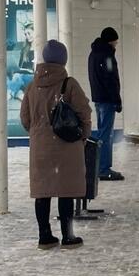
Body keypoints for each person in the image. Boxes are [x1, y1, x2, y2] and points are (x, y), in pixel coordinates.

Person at [19, 39, 92, 249]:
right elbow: (84, 113)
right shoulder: (69, 84)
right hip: (67, 145)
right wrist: (83, 135)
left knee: (42, 192)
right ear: (63, 60)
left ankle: (45, 236)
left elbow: (25, 118)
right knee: (65, 190)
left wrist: (38, 133)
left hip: (40, 147)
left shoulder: (32, 86)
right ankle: (68, 236)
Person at [87, 26, 124, 181]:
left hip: (98, 98)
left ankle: (99, 167)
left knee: (102, 132)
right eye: (115, 42)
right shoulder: (107, 55)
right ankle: (103, 168)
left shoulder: (93, 54)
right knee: (106, 134)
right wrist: (116, 100)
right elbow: (110, 79)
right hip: (107, 99)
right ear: (110, 41)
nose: (116, 45)